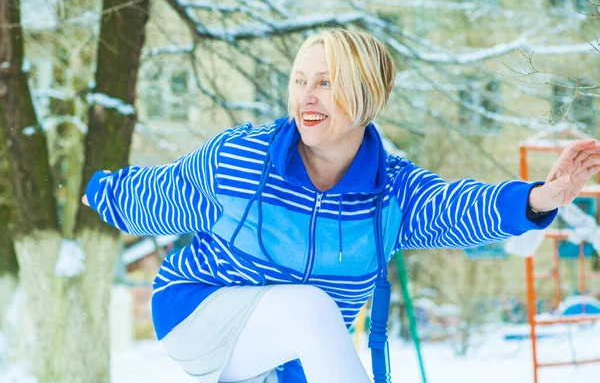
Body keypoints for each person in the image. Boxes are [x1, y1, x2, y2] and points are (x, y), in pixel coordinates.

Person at [82, 29, 600, 383]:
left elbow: (453, 208)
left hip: (289, 355)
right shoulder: (242, 159)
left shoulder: (390, 191)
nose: (307, 96)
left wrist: (540, 198)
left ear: (366, 94)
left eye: (326, 83)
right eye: (300, 81)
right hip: (197, 311)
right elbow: (164, 195)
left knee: (311, 313)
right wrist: (100, 189)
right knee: (311, 306)